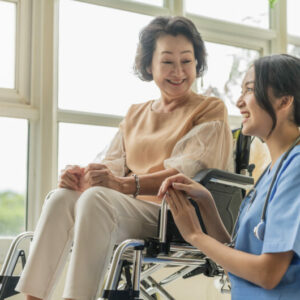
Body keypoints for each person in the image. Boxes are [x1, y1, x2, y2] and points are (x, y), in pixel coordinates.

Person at [16, 16, 233, 300]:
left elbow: (184, 174)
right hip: (125, 209)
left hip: (174, 215)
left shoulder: (209, 109)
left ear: (197, 64)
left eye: (187, 61)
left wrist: (122, 185)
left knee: (96, 199)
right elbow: (111, 170)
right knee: (62, 196)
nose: (178, 71)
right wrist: (80, 176)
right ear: (148, 65)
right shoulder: (135, 114)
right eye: (167, 61)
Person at [158, 54, 300, 300]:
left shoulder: (296, 168)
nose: (239, 101)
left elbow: (268, 274)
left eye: (249, 90)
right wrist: (207, 204)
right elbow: (237, 260)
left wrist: (195, 236)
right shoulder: (271, 171)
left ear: (284, 101)